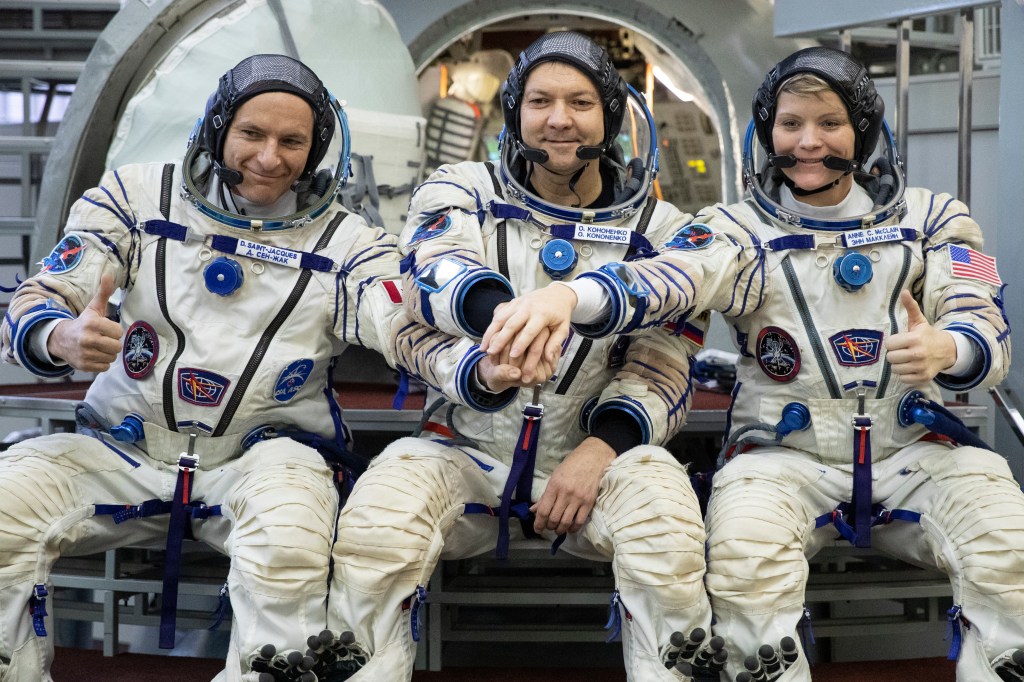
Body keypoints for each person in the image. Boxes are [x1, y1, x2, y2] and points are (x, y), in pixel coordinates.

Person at [481, 45, 1024, 681]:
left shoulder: (934, 222)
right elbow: (666, 278)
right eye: (790, 125)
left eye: (829, 124)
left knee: (1006, 546)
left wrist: (948, 349)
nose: (808, 143)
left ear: (865, 131)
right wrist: (570, 295)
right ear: (767, 134)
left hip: (914, 448)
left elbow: (983, 321)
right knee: (746, 572)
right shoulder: (737, 231)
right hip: (779, 458)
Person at [0, 54, 408, 682]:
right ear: (219, 128)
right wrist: (60, 336)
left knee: (291, 539)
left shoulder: (348, 242)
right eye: (252, 134)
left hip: (262, 459)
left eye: (292, 141)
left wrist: (473, 354)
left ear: (317, 149)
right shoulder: (134, 198)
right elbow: (39, 298)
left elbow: (399, 323)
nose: (270, 158)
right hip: (123, 450)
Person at [327, 31, 716, 682]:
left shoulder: (664, 230)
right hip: (464, 446)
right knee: (375, 531)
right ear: (515, 113)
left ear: (611, 116)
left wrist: (602, 449)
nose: (559, 119)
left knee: (669, 533)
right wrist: (500, 332)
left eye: (580, 102)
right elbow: (433, 269)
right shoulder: (461, 190)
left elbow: (664, 362)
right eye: (539, 101)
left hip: (598, 460)